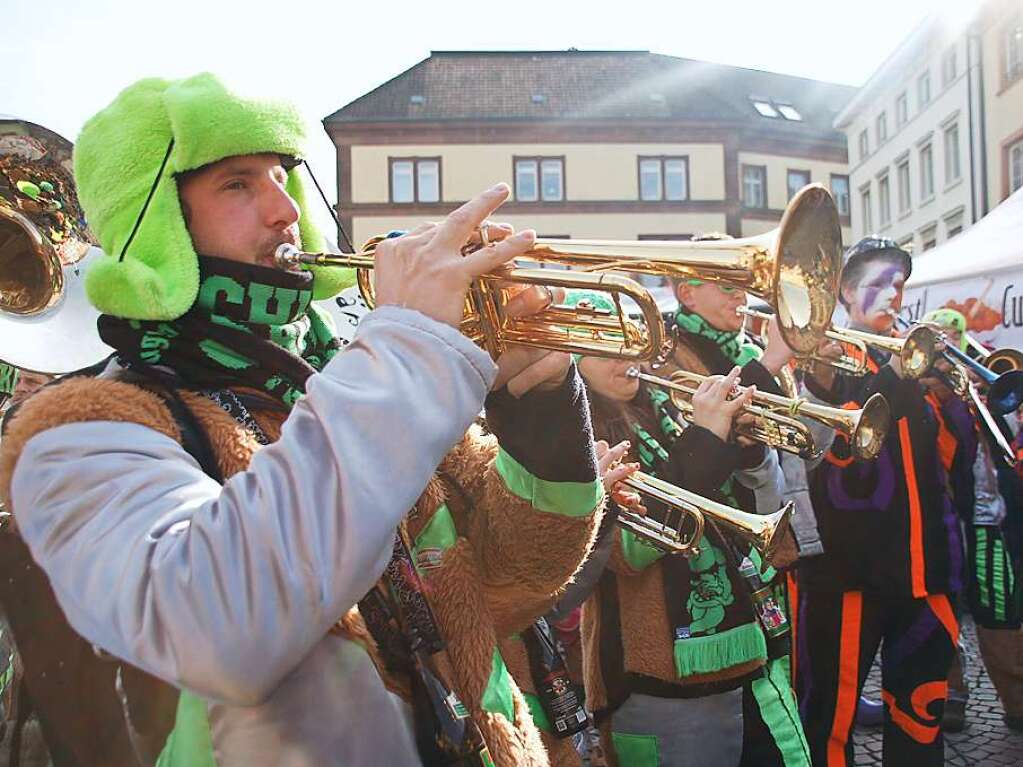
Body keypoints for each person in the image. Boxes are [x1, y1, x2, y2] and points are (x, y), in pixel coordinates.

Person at [0, 73, 613, 767]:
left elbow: (515, 574)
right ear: (156, 221)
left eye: (283, 177)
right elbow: (219, 626)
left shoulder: (337, 376)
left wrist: (537, 403)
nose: (283, 210)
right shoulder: (76, 433)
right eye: (236, 184)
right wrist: (405, 344)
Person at [569, 289, 810, 767]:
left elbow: (758, 511)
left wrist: (749, 453)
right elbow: (628, 551)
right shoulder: (576, 437)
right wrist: (704, 441)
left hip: (747, 657)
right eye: (603, 348)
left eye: (631, 341)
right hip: (659, 680)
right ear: (572, 358)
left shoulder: (668, 408)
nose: (626, 359)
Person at [796, 237, 969, 766]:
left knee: (920, 716)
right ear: (846, 292)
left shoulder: (916, 357)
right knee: (828, 718)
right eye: (878, 283)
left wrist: (950, 396)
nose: (893, 294)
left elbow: (954, 461)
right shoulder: (823, 355)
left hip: (927, 572)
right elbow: (841, 450)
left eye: (900, 283)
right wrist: (899, 376)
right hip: (849, 574)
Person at [919, 308, 1023, 734]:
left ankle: (1015, 701)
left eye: (954, 334)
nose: (949, 342)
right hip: (948, 516)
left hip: (992, 516)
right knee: (943, 608)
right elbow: (945, 451)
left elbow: (1005, 442)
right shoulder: (925, 390)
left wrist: (982, 395)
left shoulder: (979, 390)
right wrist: (945, 394)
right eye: (939, 335)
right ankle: (952, 694)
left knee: (999, 611)